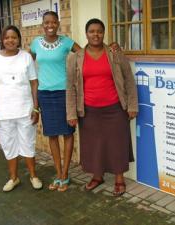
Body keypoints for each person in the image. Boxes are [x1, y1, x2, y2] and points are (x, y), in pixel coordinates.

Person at [29, 11, 119, 192]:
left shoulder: (66, 42)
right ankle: (59, 174)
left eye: (54, 22)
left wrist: (110, 48)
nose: (50, 25)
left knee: (67, 133)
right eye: (47, 22)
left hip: (64, 92)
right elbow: (25, 60)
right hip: (45, 94)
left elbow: (88, 52)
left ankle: (65, 173)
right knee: (52, 135)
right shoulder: (36, 43)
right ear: (42, 24)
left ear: (58, 24)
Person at [66, 18, 138, 196]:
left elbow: (129, 79)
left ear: (104, 33)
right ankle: (97, 176)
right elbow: (71, 87)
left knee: (117, 144)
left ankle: (119, 179)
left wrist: (132, 105)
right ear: (86, 34)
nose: (95, 34)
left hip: (115, 108)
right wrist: (71, 113)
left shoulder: (114, 53)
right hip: (89, 111)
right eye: (92, 31)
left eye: (99, 31)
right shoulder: (75, 58)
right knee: (94, 146)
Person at [0, 25, 42, 192]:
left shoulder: (26, 58)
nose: (10, 40)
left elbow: (34, 83)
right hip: (3, 113)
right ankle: (14, 178)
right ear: (2, 40)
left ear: (19, 40)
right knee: (9, 146)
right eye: (7, 37)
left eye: (14, 37)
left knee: (28, 144)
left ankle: (33, 176)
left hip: (25, 111)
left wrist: (36, 108)